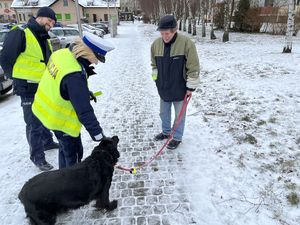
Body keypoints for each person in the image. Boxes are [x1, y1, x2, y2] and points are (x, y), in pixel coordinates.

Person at [32, 32, 115, 169]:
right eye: (97, 58)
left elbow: (60, 83)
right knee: (73, 158)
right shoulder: (74, 74)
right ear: (87, 52)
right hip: (62, 121)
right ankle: (69, 187)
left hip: (45, 112)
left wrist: (82, 93)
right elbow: (84, 111)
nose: (96, 62)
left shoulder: (62, 54)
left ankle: (60, 179)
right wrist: (99, 135)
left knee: (64, 150)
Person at [0, 7, 59, 171]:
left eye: (53, 23)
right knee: (33, 123)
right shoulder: (20, 32)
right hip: (27, 87)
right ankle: (37, 158)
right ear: (40, 17)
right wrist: (15, 77)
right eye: (50, 21)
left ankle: (47, 142)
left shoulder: (43, 37)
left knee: (44, 116)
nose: (51, 25)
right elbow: (5, 58)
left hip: (42, 85)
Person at [151, 15, 200, 150]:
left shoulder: (186, 43)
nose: (164, 36)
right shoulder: (155, 44)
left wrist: (190, 86)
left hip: (180, 88)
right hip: (163, 88)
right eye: (162, 33)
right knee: (163, 113)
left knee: (179, 116)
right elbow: (153, 65)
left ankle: (177, 137)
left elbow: (193, 66)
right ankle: (166, 132)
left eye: (167, 33)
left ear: (175, 30)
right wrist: (156, 80)